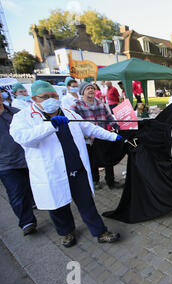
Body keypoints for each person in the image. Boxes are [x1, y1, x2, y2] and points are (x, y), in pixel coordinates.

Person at [9, 80, 121, 248]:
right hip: (51, 172)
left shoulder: (68, 112)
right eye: (45, 97)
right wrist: (49, 126)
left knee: (86, 203)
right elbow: (22, 138)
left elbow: (89, 128)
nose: (51, 99)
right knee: (58, 206)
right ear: (34, 98)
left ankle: (100, 231)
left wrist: (113, 137)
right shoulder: (23, 117)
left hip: (76, 168)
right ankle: (66, 232)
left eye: (53, 95)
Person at [71, 82, 121, 190]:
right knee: (92, 161)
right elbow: (73, 123)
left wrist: (116, 126)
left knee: (108, 159)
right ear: (82, 92)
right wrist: (85, 135)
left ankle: (110, 181)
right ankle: (95, 180)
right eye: (87, 88)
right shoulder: (76, 105)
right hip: (88, 140)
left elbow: (109, 117)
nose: (91, 90)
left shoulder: (100, 103)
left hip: (102, 136)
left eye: (92, 88)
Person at [0, 92, 37, 236]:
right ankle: (27, 222)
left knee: (31, 187)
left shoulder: (16, 113)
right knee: (16, 192)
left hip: (27, 158)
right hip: (6, 164)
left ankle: (33, 203)